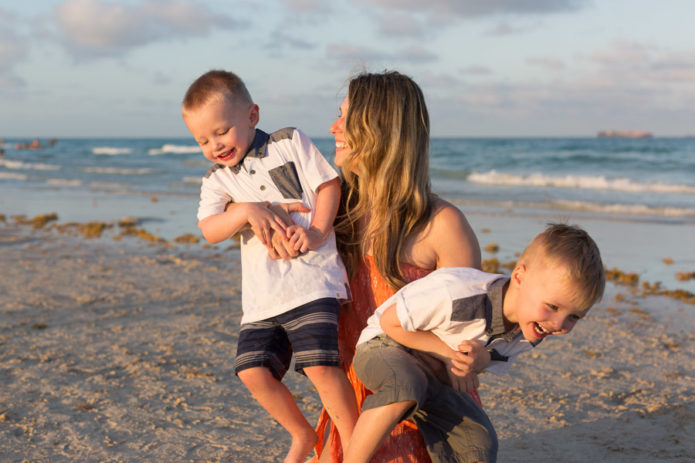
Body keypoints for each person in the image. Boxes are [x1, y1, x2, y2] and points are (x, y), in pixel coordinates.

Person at [181, 70, 358, 463]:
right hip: (263, 298)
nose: (215, 145)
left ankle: (354, 445)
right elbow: (210, 230)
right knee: (252, 370)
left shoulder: (288, 142)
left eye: (222, 131)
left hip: (312, 281)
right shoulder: (218, 182)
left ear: (252, 116)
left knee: (321, 369)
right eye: (202, 140)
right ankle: (302, 434)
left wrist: (314, 231)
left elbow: (329, 185)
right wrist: (246, 209)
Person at [309, 71, 484, 462]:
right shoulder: (335, 214)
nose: (333, 127)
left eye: (346, 117)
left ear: (381, 129)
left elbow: (469, 338)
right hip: (352, 403)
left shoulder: (442, 225)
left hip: (417, 403)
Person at [344, 223, 606, 463]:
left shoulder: (531, 332)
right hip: (385, 346)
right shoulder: (459, 294)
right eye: (552, 306)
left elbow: (483, 361)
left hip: (435, 376)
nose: (559, 324)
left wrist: (481, 361)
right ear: (519, 277)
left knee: (479, 439)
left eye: (574, 317)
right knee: (406, 385)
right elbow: (391, 323)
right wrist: (447, 355)